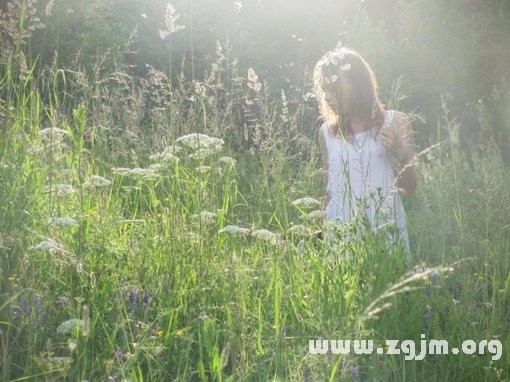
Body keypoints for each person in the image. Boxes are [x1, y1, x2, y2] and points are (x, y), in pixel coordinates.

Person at [313, 46, 418, 259]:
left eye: (333, 88)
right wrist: (320, 233)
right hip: (341, 237)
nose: (327, 97)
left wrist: (400, 152)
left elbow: (410, 188)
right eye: (324, 89)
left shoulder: (395, 122)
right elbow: (329, 193)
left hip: (386, 230)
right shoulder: (327, 133)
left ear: (357, 84)